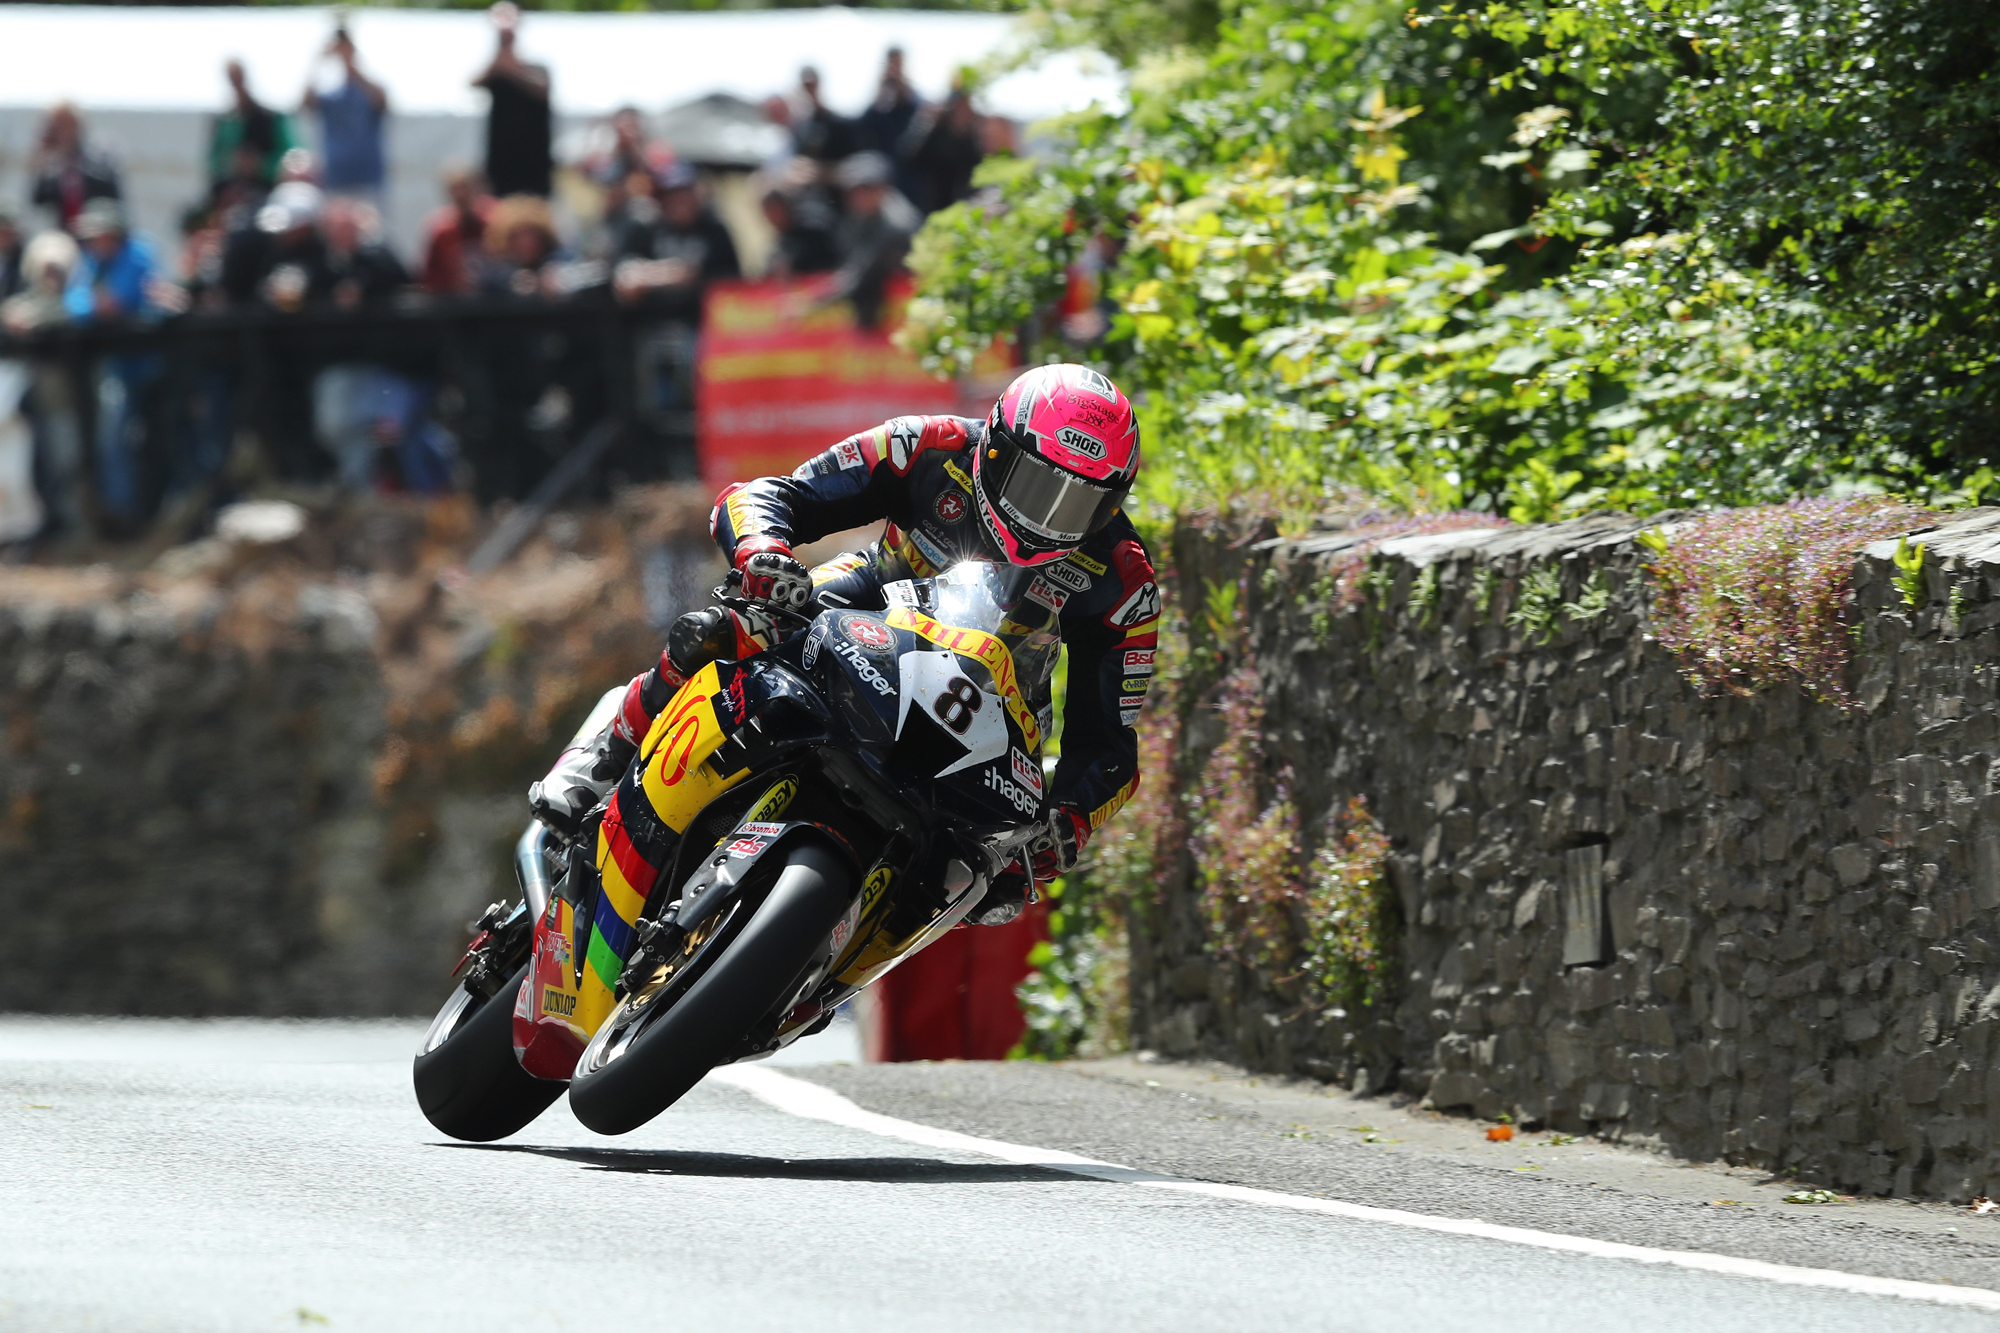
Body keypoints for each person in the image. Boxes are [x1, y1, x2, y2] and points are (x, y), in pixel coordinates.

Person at [520, 364, 1157, 1070]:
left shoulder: (1124, 581)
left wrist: (1069, 820)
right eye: (1042, 487)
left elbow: (1111, 746)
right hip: (869, 606)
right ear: (997, 451)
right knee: (726, 627)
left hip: (991, 708)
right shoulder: (927, 445)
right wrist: (764, 552)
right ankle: (611, 748)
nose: (1051, 517)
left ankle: (818, 973)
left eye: (1080, 504)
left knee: (997, 879)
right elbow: (769, 496)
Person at [64, 200, 180, 525]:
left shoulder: (138, 253)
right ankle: (125, 516)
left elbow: (124, 299)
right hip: (117, 368)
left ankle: (152, 511)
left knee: (157, 439)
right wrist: (96, 305)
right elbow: (75, 303)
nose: (98, 242)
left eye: (103, 235)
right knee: (116, 440)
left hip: (154, 365)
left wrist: (106, 304)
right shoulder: (91, 261)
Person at [825, 151, 916, 329]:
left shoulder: (895, 225)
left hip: (903, 322)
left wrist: (811, 303)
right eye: (853, 191)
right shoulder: (861, 219)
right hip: (886, 318)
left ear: (881, 188)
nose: (858, 197)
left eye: (866, 189)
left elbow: (861, 277)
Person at [475, 3, 553, 200]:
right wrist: (498, 59)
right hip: (501, 163)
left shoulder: (536, 66)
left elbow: (543, 90)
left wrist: (512, 70)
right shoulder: (495, 70)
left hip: (533, 162)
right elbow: (473, 83)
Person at [303, 27, 388, 203]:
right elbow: (305, 103)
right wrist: (318, 62)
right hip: (336, 178)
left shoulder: (368, 90)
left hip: (368, 179)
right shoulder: (330, 92)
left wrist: (350, 62)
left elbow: (382, 102)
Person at [29, 104, 122, 236]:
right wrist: (41, 161)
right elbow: (37, 202)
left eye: (68, 123)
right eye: (58, 125)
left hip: (96, 234)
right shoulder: (50, 166)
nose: (64, 130)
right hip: (62, 235)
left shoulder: (99, 154)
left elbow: (112, 194)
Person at [209, 60, 298, 193]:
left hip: (267, 190)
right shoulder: (225, 122)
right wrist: (233, 163)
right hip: (231, 191)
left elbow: (291, 156)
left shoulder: (270, 118)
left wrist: (260, 165)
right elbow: (213, 161)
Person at [905, 83, 985, 215]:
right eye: (959, 105)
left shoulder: (977, 137)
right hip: (936, 207)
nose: (963, 111)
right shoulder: (936, 135)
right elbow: (909, 159)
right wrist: (927, 124)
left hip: (969, 206)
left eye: (966, 105)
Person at [856, 47, 922, 204]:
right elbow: (863, 129)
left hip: (910, 178)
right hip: (883, 178)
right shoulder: (879, 103)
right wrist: (880, 96)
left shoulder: (914, 100)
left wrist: (903, 92)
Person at [420, 167, 491, 296]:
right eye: (455, 189)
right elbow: (430, 277)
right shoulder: (441, 230)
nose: (461, 194)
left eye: (465, 187)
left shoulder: (495, 223)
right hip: (455, 304)